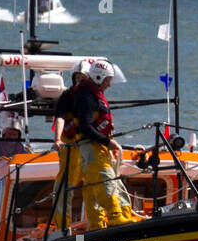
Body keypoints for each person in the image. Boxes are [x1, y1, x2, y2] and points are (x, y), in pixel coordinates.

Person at [71, 59, 140, 227]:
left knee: (92, 183)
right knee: (105, 178)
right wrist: (106, 141)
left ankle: (96, 221)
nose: (109, 85)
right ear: (99, 77)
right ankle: (115, 215)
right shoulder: (86, 97)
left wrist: (106, 141)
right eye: (108, 80)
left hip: (95, 145)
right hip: (93, 146)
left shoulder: (88, 94)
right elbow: (86, 127)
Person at [51, 62, 86, 226]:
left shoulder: (95, 96)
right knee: (65, 183)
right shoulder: (67, 96)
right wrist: (57, 139)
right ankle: (61, 223)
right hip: (71, 145)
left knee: (97, 183)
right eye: (77, 78)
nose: (80, 81)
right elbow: (60, 118)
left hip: (91, 145)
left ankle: (100, 220)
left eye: (83, 78)